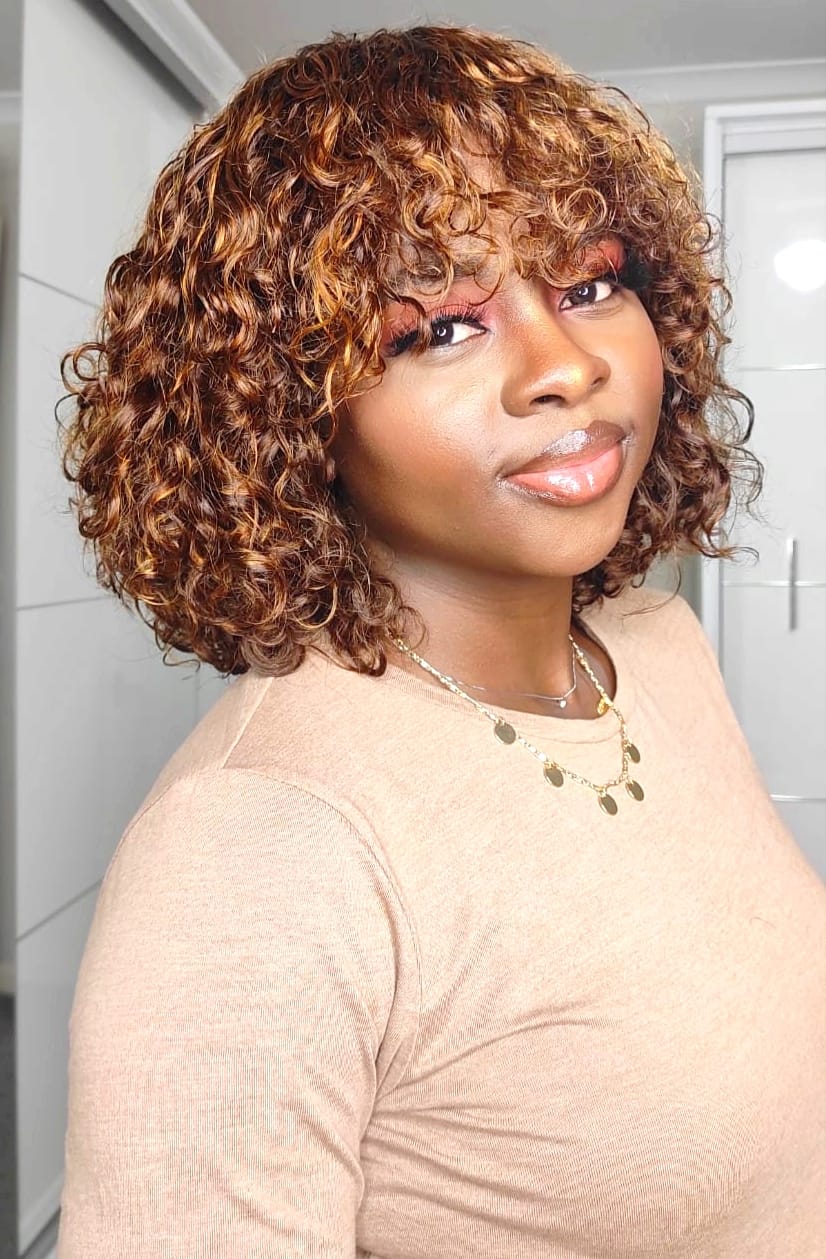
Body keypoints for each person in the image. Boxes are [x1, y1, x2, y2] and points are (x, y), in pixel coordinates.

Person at [55, 25, 825, 1259]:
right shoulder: (260, 843)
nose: (565, 366)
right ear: (282, 413)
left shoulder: (655, 642)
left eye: (588, 284)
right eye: (442, 327)